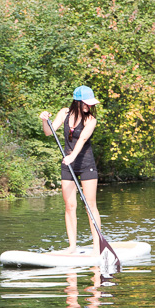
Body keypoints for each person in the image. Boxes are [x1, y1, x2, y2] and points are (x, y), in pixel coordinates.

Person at [39, 85, 102, 254]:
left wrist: (72, 157)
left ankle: (98, 245)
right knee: (70, 206)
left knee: (90, 205)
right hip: (68, 165)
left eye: (90, 103)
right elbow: (48, 133)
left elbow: (82, 140)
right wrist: (45, 120)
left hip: (86, 164)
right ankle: (72, 246)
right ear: (77, 101)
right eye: (85, 103)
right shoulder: (64, 113)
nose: (89, 106)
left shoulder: (91, 120)